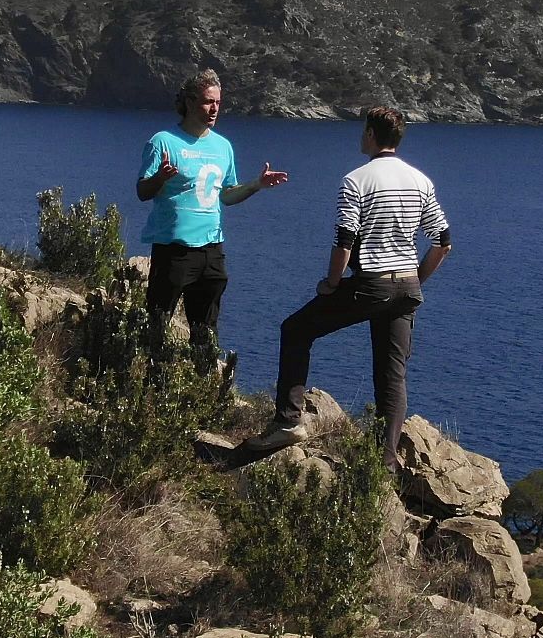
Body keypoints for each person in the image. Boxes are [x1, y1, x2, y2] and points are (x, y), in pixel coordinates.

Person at [254, 106, 451, 467]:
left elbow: (345, 240)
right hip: (406, 287)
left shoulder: (356, 180)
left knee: (296, 330)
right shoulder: (421, 181)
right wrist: (415, 281)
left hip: (371, 285)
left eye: (364, 131)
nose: (361, 137)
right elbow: (443, 241)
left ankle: (287, 421)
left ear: (372, 135)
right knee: (392, 377)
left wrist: (331, 284)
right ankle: (385, 466)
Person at [137, 69, 287, 349]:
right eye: (208, 102)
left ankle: (201, 386)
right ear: (191, 101)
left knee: (206, 333)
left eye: (218, 102)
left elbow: (227, 196)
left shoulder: (223, 147)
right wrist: (160, 178)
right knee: (157, 324)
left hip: (212, 251)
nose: (214, 109)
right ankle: (149, 384)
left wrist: (256, 184)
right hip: (173, 250)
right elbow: (142, 192)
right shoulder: (163, 141)